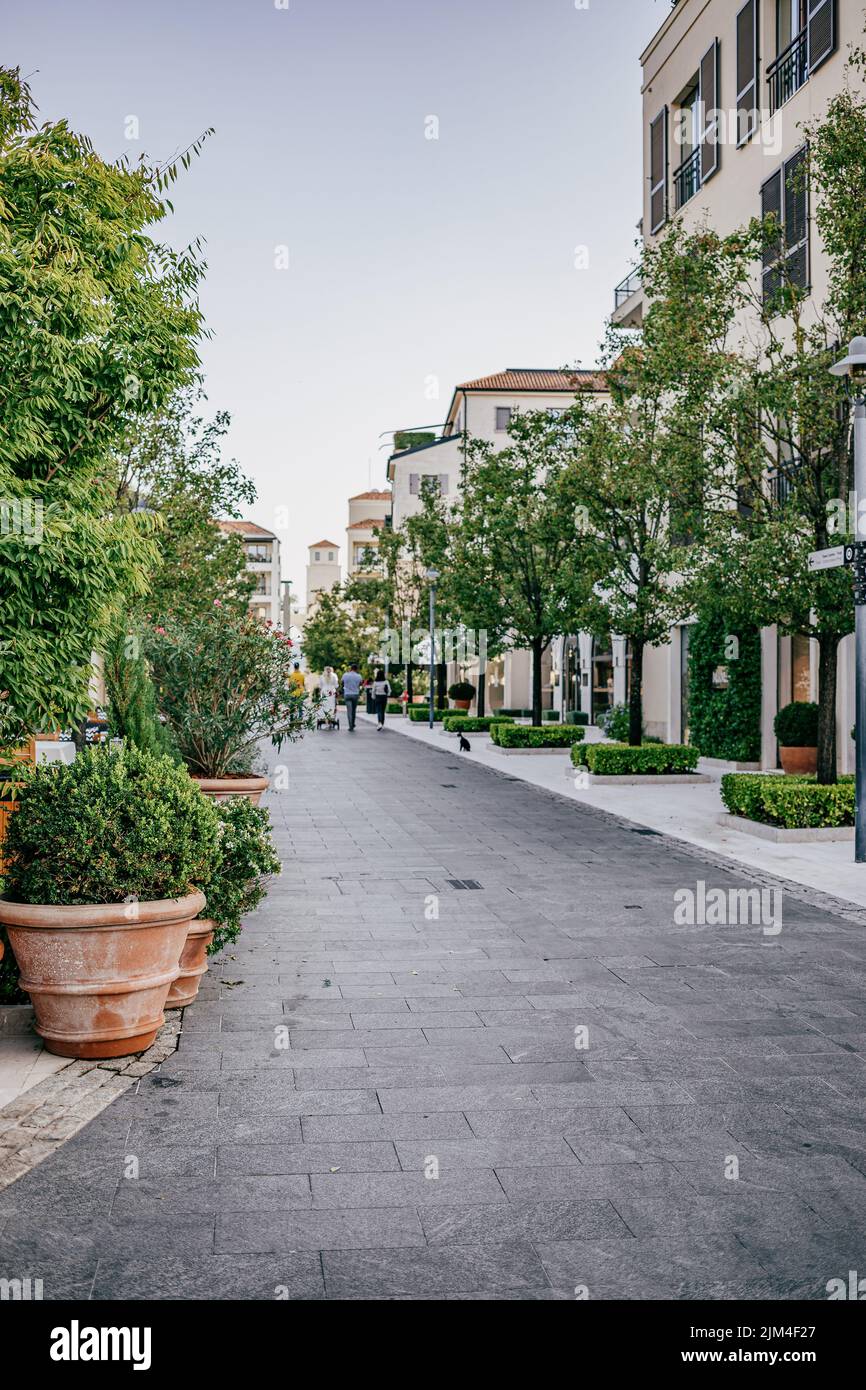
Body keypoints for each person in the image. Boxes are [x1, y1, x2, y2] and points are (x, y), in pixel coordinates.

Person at [341, 662, 363, 731]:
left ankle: (350, 725)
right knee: (353, 710)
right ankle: (353, 723)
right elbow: (360, 684)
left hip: (347, 694)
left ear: (351, 668)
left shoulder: (345, 675)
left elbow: (342, 683)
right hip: (355, 694)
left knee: (349, 711)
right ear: (356, 669)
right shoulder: (359, 676)